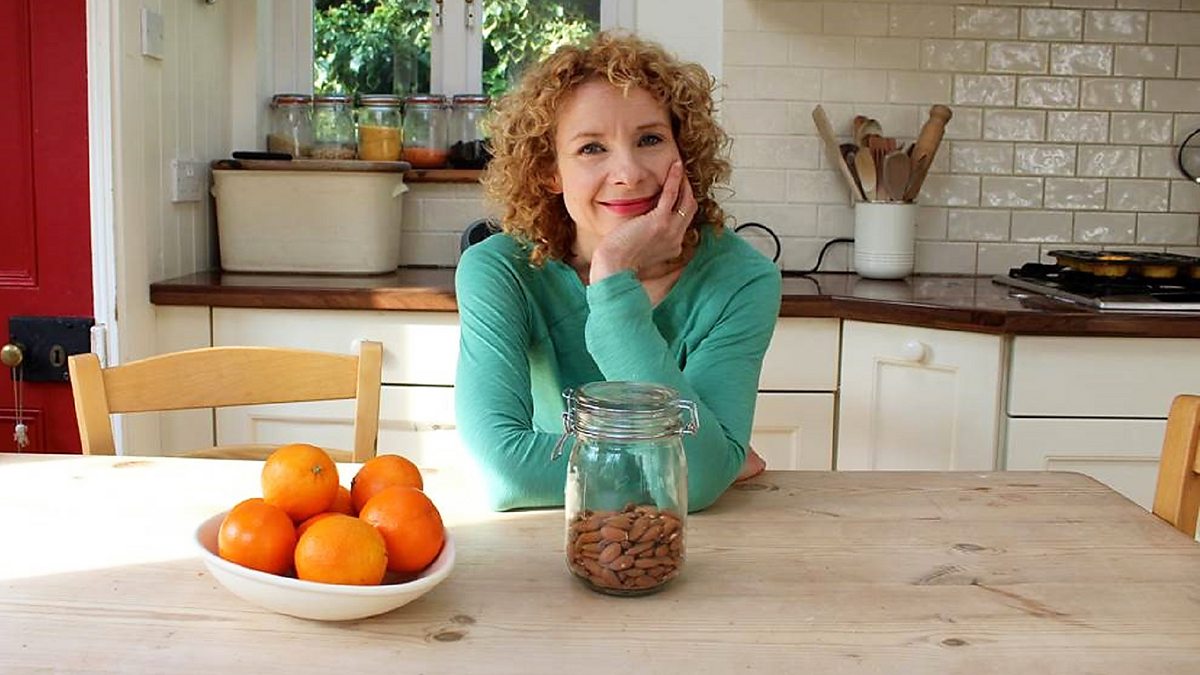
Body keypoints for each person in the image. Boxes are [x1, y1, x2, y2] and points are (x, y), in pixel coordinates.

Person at [454, 31, 781, 512]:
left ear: (683, 151)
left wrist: (610, 283)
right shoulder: (500, 270)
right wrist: (691, 465)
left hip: (690, 542)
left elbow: (699, 484)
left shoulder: (742, 280)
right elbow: (505, 471)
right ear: (550, 170)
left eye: (650, 139)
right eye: (591, 148)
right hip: (548, 536)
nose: (629, 173)